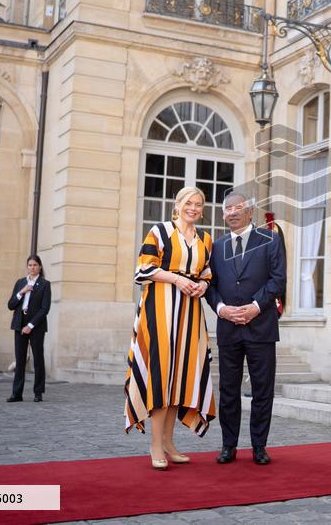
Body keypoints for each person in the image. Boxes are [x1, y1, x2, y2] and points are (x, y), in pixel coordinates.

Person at [124, 186, 217, 471]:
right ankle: (155, 445)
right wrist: (176, 280)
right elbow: (143, 269)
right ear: (177, 205)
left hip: (189, 314)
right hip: (159, 311)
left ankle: (168, 442)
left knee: (181, 377)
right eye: (189, 202)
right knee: (161, 377)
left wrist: (202, 284)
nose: (194, 208)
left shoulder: (206, 239)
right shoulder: (160, 232)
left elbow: (207, 273)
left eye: (199, 204)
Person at [206, 192, 286, 466]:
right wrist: (221, 309)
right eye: (227, 208)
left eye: (238, 207)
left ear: (251, 212)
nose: (232, 212)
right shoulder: (216, 247)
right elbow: (211, 286)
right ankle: (229, 445)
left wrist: (255, 306)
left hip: (261, 326)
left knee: (262, 390)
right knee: (228, 390)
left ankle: (259, 447)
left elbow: (278, 279)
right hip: (228, 328)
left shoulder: (270, 240)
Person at [6, 255, 51, 403]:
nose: (32, 268)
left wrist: (30, 326)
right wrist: (22, 292)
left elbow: (45, 309)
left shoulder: (45, 284)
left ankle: (38, 392)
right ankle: (16, 393)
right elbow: (11, 305)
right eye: (30, 265)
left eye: (35, 265)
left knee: (38, 359)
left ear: (40, 267)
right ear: (27, 267)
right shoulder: (20, 283)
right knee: (20, 360)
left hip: (36, 326)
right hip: (19, 324)